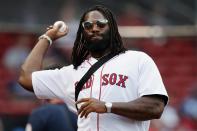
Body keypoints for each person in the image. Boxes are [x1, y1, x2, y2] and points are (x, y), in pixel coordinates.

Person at [18, 5, 168, 131]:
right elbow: (26, 77)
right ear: (83, 33)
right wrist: (48, 37)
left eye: (101, 24)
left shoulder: (138, 60)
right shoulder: (73, 72)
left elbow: (155, 107)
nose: (94, 28)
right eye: (88, 26)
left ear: (113, 29)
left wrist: (107, 106)